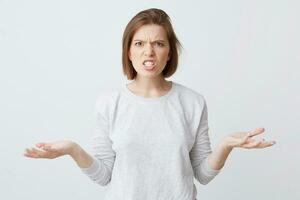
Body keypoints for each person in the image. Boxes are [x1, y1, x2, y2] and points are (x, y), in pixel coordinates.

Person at [23, 8, 276, 200]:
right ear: (129, 51)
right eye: (140, 43)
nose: (149, 52)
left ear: (169, 53)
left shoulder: (192, 102)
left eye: (159, 43)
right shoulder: (110, 103)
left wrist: (226, 145)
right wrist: (72, 149)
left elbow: (202, 175)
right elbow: (104, 177)